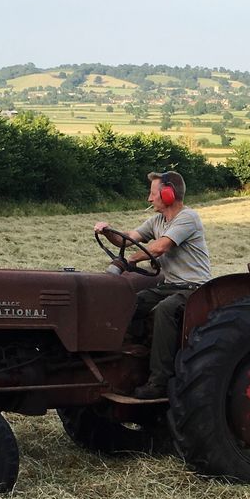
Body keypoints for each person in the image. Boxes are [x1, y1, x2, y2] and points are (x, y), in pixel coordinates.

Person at [93, 170, 212, 399]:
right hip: (170, 284)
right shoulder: (157, 220)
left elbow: (160, 247)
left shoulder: (188, 218)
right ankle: (127, 361)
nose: (149, 199)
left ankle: (159, 382)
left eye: (152, 193)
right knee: (131, 304)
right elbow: (127, 239)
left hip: (194, 287)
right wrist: (107, 231)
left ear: (168, 194)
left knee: (165, 311)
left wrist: (129, 261)